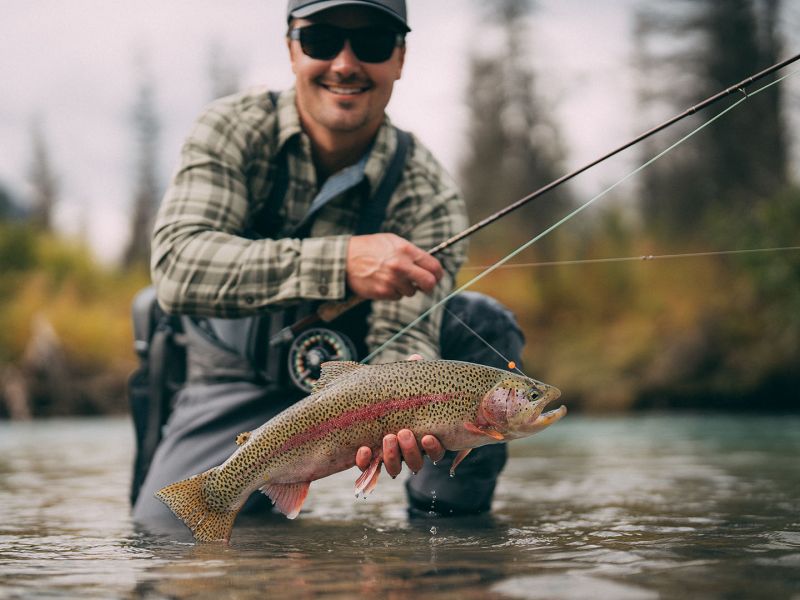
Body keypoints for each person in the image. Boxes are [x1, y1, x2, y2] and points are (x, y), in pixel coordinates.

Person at [132, 0, 524, 526]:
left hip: (362, 393)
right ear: (292, 49)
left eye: (372, 43)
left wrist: (408, 392)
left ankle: (449, 537)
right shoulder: (232, 130)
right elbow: (178, 267)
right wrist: (340, 262)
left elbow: (407, 334)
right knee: (173, 541)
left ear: (399, 58)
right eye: (321, 40)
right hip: (237, 377)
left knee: (482, 320)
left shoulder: (428, 192)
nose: (345, 63)